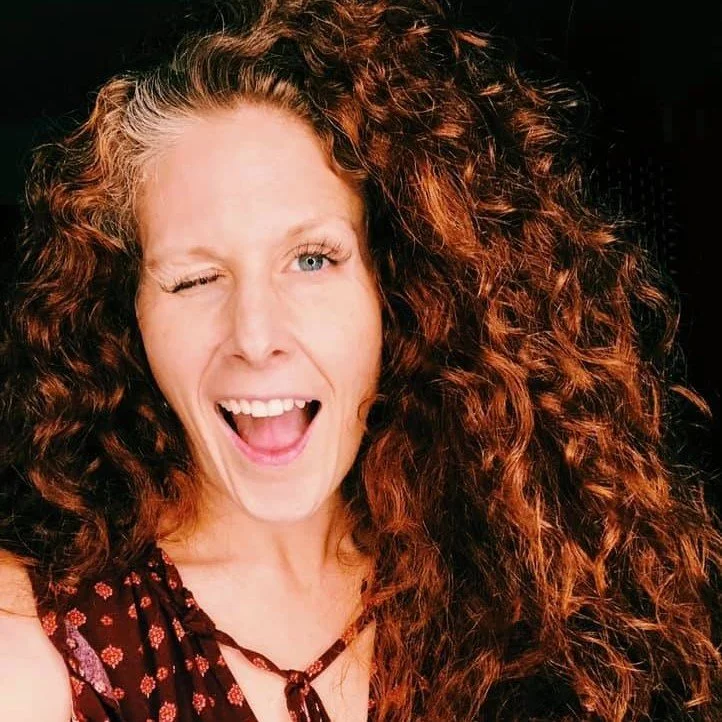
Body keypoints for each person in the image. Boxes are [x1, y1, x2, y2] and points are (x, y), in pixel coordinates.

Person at [1, 0, 721, 720]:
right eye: (194, 279)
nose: (255, 335)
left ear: (397, 286)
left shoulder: (537, 587)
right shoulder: (33, 643)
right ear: (126, 312)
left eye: (312, 259)